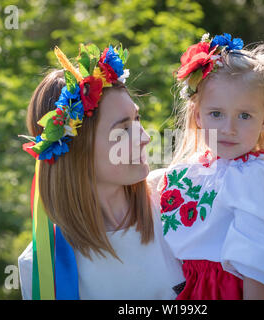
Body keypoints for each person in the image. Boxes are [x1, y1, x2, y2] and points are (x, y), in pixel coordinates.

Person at [17, 43, 184, 300]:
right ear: (76, 148)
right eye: (123, 129)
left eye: (137, 120)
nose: (144, 138)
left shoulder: (180, 201)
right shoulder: (44, 268)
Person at [154, 33, 264, 300]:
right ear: (197, 115)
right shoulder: (190, 170)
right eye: (216, 114)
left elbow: (257, 260)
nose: (229, 129)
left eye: (245, 116)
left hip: (235, 291)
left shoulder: (254, 174)